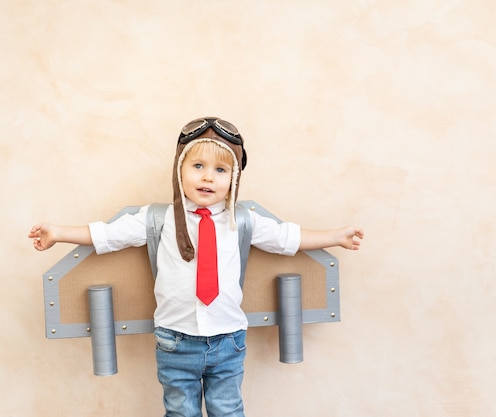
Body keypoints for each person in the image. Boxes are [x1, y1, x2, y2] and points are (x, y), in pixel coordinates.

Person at [28, 117, 364, 417]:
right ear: (179, 170)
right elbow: (107, 234)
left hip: (228, 339)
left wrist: (335, 236)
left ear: (233, 179)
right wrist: (59, 233)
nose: (208, 177)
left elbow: (287, 237)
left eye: (220, 170)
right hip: (175, 341)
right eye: (198, 166)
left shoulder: (242, 220)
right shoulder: (157, 219)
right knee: (179, 410)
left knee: (228, 410)